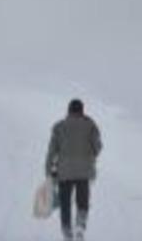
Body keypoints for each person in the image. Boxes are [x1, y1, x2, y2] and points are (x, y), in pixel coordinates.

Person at [45, 98, 103, 241]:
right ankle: (80, 227)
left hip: (64, 172)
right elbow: (98, 147)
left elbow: (51, 152)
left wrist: (48, 172)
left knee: (65, 203)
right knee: (82, 201)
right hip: (84, 171)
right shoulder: (90, 125)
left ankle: (67, 233)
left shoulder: (59, 127)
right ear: (82, 111)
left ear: (69, 110)